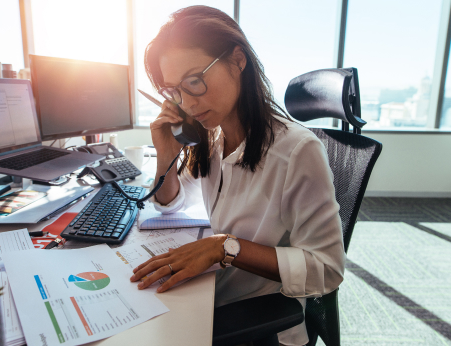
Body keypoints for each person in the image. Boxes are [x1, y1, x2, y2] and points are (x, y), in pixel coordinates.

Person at [129, 6, 345, 345]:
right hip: (213, 294)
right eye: (175, 91)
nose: (187, 102)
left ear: (238, 60)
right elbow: (170, 204)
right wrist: (167, 155)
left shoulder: (297, 151)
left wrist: (224, 247)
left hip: (258, 324)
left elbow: (327, 270)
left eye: (194, 81)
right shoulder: (213, 137)